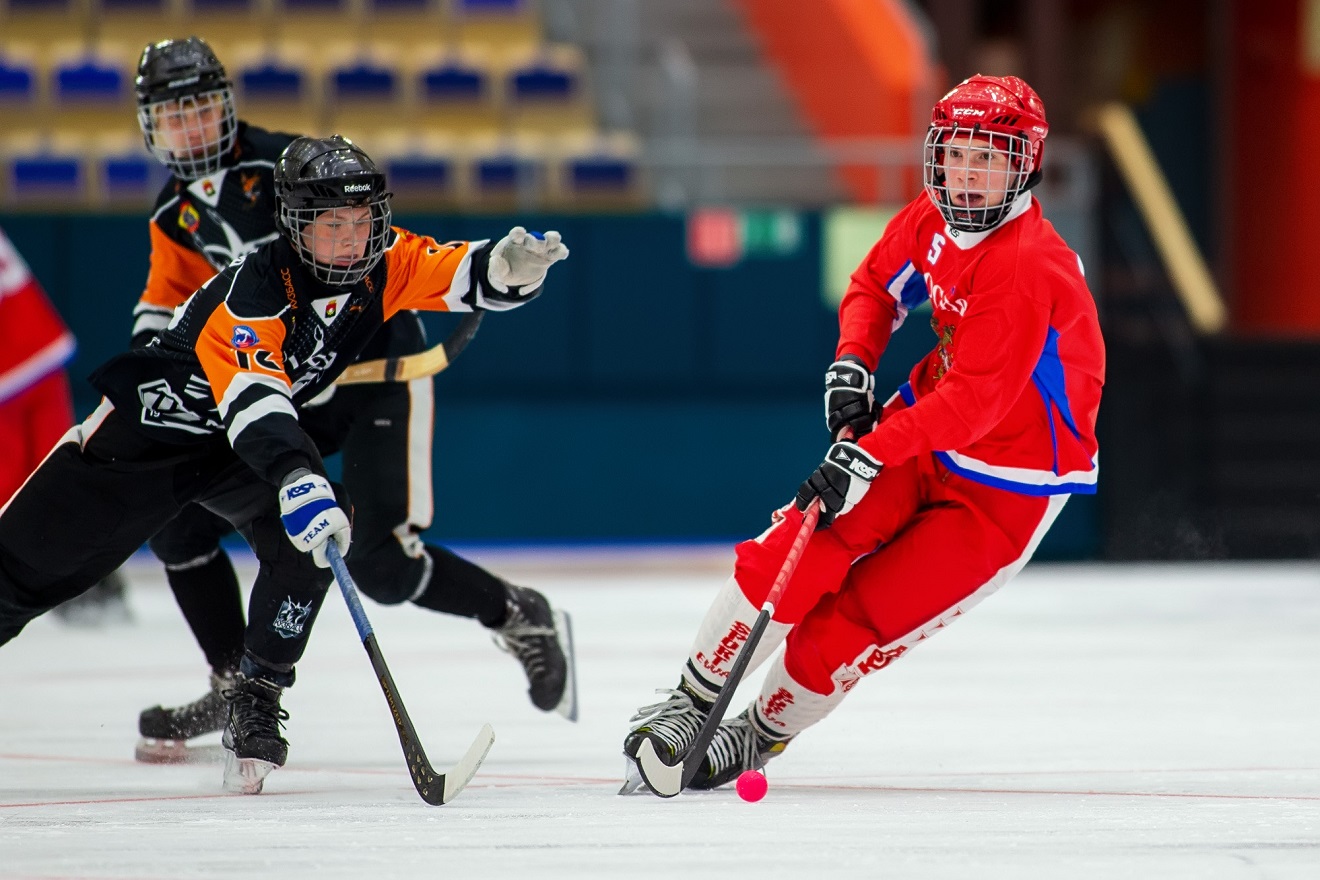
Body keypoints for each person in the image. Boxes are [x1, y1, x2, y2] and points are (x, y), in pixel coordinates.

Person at [0, 131, 569, 794]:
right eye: (333, 226)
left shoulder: (382, 263)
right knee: (16, 578)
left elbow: (453, 271)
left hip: (229, 450)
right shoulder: (254, 294)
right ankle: (231, 673)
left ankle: (257, 691)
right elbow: (257, 404)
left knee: (321, 533)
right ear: (295, 228)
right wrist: (299, 477)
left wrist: (504, 270)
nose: (353, 242)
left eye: (364, 223)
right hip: (148, 442)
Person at [622, 74, 1104, 793]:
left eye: (989, 158)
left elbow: (976, 405)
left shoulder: (1027, 264)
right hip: (922, 430)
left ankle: (754, 736)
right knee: (799, 543)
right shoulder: (933, 218)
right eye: (956, 155)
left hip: (1007, 491)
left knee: (861, 621)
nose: (966, 176)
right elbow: (877, 287)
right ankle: (691, 705)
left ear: (1025, 164)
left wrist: (869, 451)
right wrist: (853, 361)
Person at [122, 38, 577, 765]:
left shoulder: (288, 169)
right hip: (283, 384)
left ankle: (518, 613)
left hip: (374, 373)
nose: (190, 129)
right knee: (178, 517)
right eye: (172, 117)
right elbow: (165, 309)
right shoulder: (173, 216)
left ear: (227, 106)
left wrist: (499, 271)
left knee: (381, 567)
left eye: (202, 109)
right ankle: (235, 679)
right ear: (149, 127)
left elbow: (408, 257)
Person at [0, 226, 132, 626]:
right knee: (61, 475)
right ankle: (94, 580)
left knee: (17, 489)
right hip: (41, 353)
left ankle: (71, 583)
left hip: (13, 369)